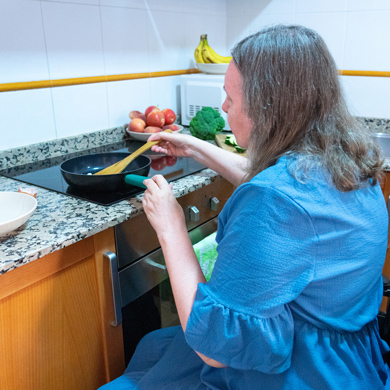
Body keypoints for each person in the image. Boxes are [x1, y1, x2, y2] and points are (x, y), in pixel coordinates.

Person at [100, 24, 390, 389]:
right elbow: (285, 191)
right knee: (154, 346)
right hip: (348, 358)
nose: (223, 108)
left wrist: (171, 226)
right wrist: (194, 146)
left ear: (268, 110)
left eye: (231, 100)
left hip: (303, 371)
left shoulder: (274, 199)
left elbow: (215, 352)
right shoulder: (350, 163)